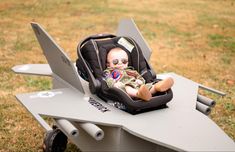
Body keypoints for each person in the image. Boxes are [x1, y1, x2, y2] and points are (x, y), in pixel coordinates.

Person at [103, 47, 174, 101]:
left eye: (124, 61)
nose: (120, 63)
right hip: (124, 88)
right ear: (108, 64)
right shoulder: (109, 71)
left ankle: (157, 87)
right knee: (127, 88)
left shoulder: (132, 71)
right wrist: (114, 84)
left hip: (138, 86)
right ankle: (139, 94)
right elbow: (107, 78)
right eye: (115, 61)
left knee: (148, 86)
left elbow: (139, 77)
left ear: (127, 63)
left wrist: (140, 81)